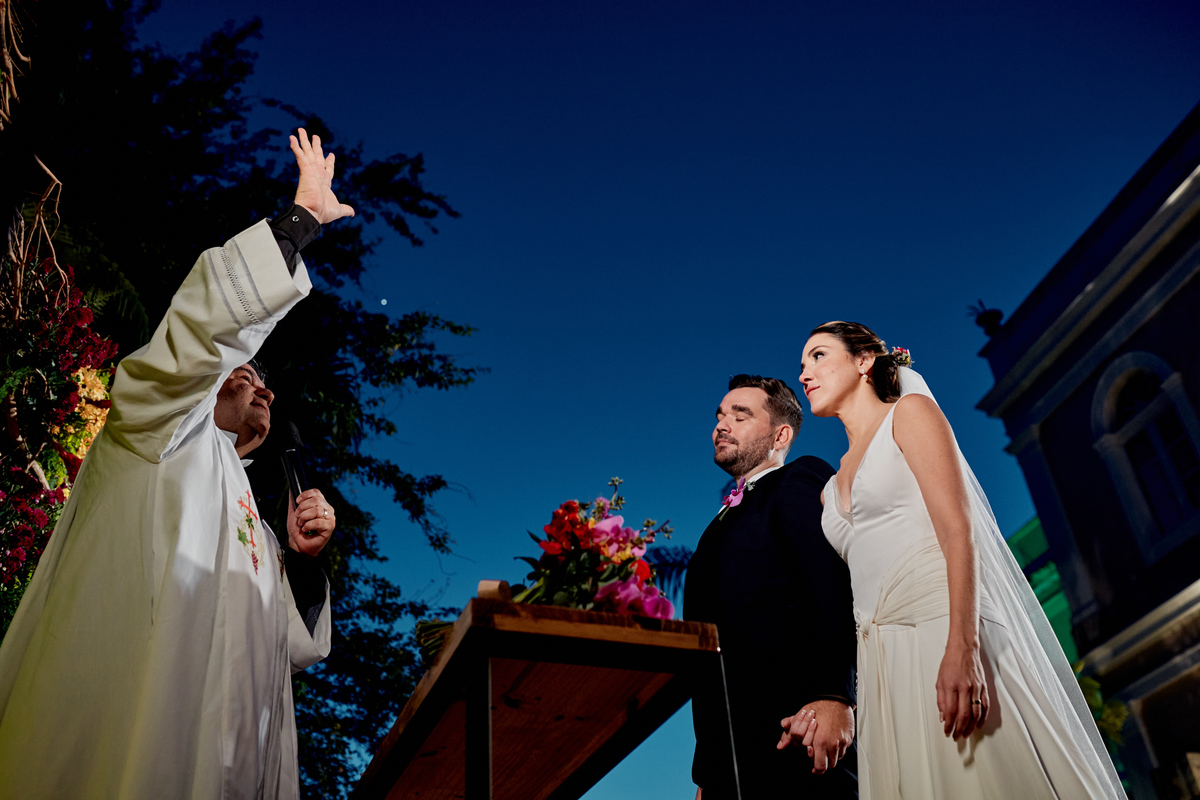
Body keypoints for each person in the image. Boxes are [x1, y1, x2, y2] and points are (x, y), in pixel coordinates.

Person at [0, 129, 354, 799]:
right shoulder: (158, 427)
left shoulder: (253, 519)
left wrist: (303, 565)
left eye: (267, 383)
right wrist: (299, 221)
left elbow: (295, 648)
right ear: (210, 378)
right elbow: (199, 336)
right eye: (252, 372)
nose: (267, 390)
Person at [791, 321, 1125, 799]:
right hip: (882, 663)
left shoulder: (908, 414)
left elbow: (957, 529)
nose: (805, 373)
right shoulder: (827, 490)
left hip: (940, 628)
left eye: (818, 356)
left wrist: (962, 649)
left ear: (864, 361)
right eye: (802, 365)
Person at [684, 374, 859, 800]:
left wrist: (833, 694)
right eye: (721, 416)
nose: (722, 425)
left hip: (800, 727)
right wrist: (708, 771)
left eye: (740, 416)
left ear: (780, 434)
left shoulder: (799, 479)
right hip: (732, 756)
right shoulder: (713, 529)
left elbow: (827, 584)